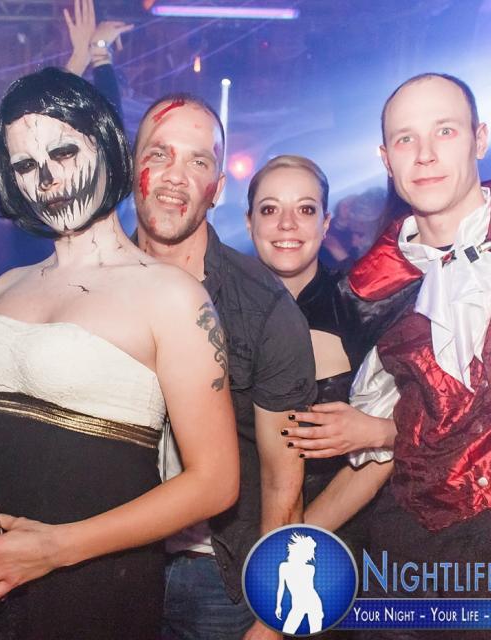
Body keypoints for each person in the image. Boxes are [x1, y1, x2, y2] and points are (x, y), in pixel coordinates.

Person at [0, 69, 239, 640]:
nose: (47, 178)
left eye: (63, 152)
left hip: (97, 577)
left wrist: (54, 549)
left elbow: (216, 481)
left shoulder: (171, 294)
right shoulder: (4, 285)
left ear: (105, 144)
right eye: (25, 164)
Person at [132, 95, 317, 640]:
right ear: (130, 165)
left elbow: (284, 481)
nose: (175, 176)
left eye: (198, 161)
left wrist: (272, 617)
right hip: (108, 561)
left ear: (216, 187)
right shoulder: (88, 285)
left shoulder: (263, 307)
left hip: (216, 576)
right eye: (159, 153)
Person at [338, 73, 491, 639]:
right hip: (403, 561)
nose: (424, 154)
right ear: (385, 158)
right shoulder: (369, 286)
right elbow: (379, 436)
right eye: (406, 139)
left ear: (479, 138)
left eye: (444, 131)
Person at [244, 155, 395, 555]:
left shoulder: (365, 310)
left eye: (306, 209)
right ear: (249, 222)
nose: (287, 224)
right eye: (270, 209)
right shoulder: (217, 311)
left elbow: (387, 449)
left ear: (325, 223)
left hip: (340, 542)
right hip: (228, 543)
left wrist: (286, 546)